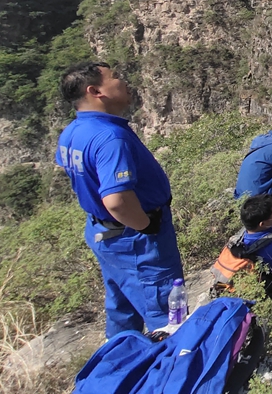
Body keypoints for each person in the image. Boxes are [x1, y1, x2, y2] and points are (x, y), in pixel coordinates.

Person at [55, 61, 184, 338]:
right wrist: (146, 225)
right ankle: (179, 369)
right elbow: (117, 201)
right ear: (95, 91)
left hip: (104, 233)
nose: (123, 82)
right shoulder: (110, 137)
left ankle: (121, 364)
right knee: (166, 313)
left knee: (122, 307)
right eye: (114, 77)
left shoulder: (71, 133)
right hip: (136, 240)